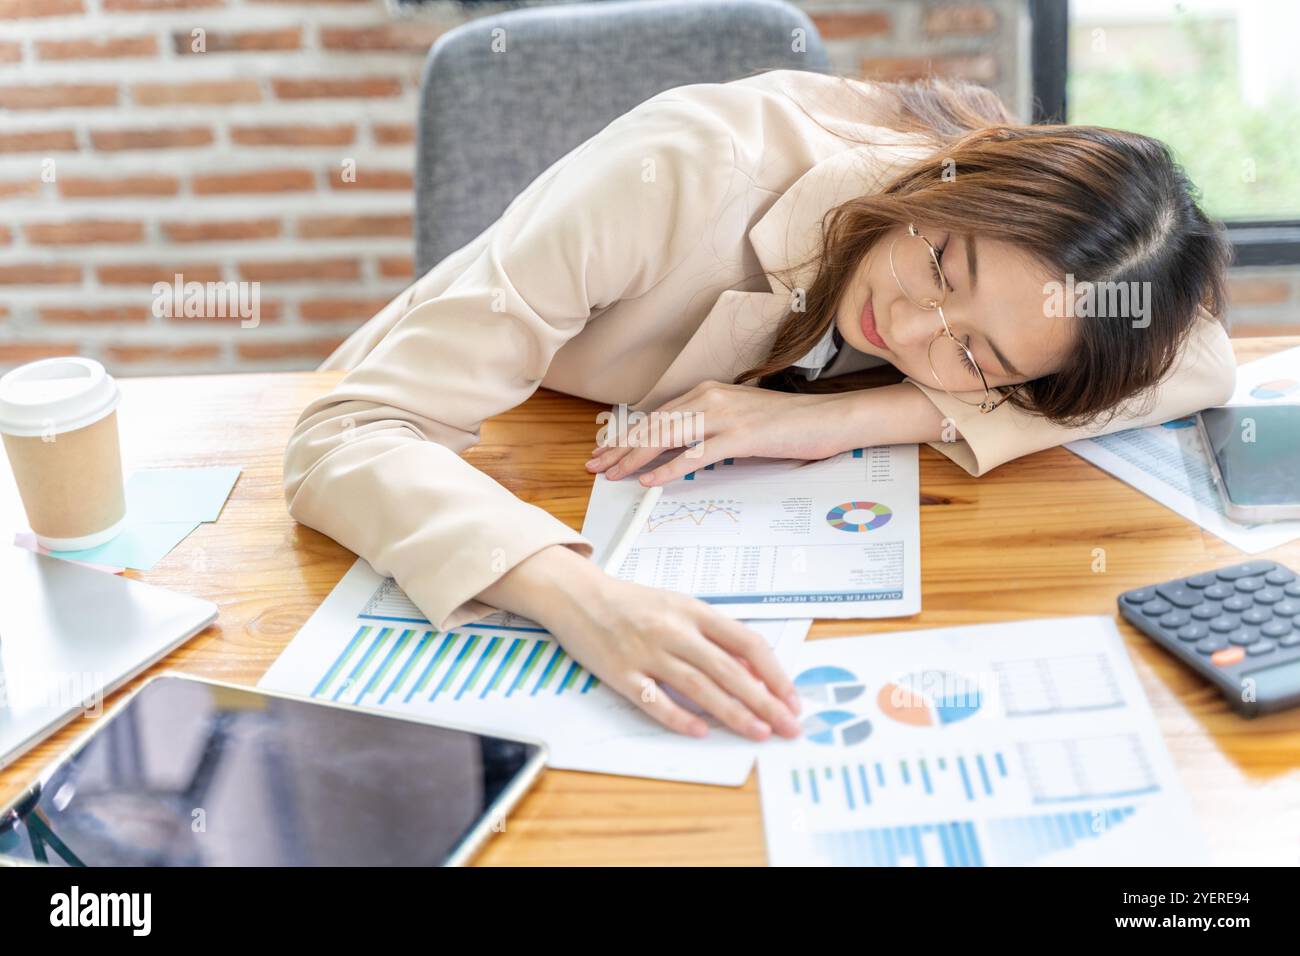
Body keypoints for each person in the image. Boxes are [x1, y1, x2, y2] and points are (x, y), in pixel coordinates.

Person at [282, 68, 1236, 743]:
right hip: (468, 434)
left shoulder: (1052, 311)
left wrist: (849, 418)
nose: (910, 333)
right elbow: (351, 431)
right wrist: (578, 599)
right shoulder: (689, 167)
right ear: (972, 175)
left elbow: (1203, 362)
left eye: (973, 351)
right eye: (944, 265)